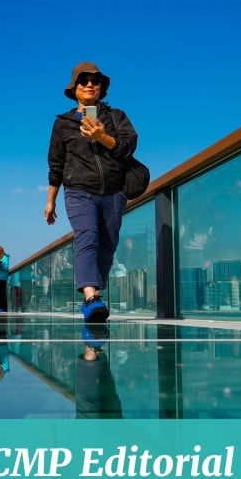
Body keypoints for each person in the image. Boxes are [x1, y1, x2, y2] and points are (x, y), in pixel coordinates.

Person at [45, 61, 138, 323]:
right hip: (78, 191)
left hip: (114, 191)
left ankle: (94, 294)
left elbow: (128, 146)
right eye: (83, 80)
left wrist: (102, 137)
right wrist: (50, 201)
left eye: (95, 81)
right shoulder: (63, 124)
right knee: (87, 237)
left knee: (107, 245)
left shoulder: (116, 117)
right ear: (74, 88)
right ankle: (90, 297)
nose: (89, 84)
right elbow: (56, 164)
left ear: (101, 88)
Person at [0, 245, 11, 312]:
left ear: (0, 251)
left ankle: (3, 307)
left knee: (2, 294)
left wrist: (1, 264)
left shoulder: (5, 258)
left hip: (3, 278)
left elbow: (5, 268)